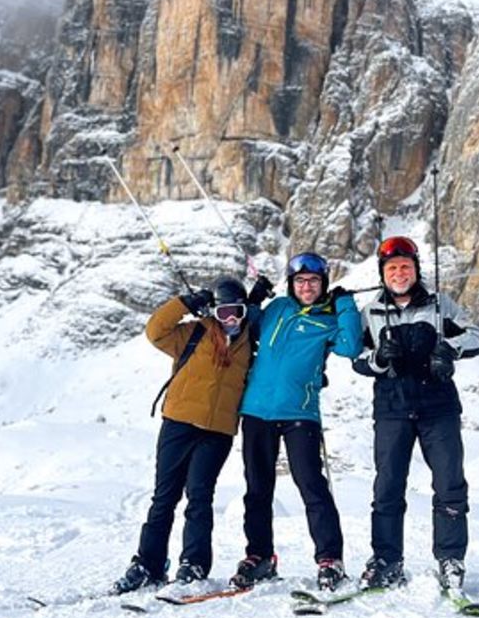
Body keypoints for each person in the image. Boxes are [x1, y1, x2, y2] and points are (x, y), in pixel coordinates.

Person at [352, 236, 479, 593]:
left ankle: (451, 561)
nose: (399, 273)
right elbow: (357, 357)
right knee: (388, 487)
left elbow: (476, 337)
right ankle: (387, 561)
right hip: (392, 409)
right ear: (383, 273)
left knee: (449, 484)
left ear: (416, 270)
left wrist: (448, 350)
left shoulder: (441, 306)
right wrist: (379, 360)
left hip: (438, 408)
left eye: (405, 267)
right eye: (392, 268)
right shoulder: (371, 312)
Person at [111, 276, 256, 593]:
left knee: (200, 499)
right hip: (178, 422)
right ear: (213, 312)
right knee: (164, 498)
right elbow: (155, 331)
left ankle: (194, 565)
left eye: (237, 312)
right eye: (223, 312)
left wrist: (258, 300)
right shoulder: (194, 334)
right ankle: (148, 565)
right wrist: (185, 304)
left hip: (217, 432)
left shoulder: (250, 342)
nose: (230, 319)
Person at [229, 252, 364, 591]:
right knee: (257, 489)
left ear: (324, 285)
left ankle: (330, 558)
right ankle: (259, 557)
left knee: (311, 486)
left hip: (299, 414)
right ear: (291, 284)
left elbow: (350, 347)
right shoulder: (278, 309)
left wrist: (345, 304)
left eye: (314, 281)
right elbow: (245, 325)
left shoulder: (329, 319)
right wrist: (254, 297)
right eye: (301, 281)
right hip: (257, 411)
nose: (307, 287)